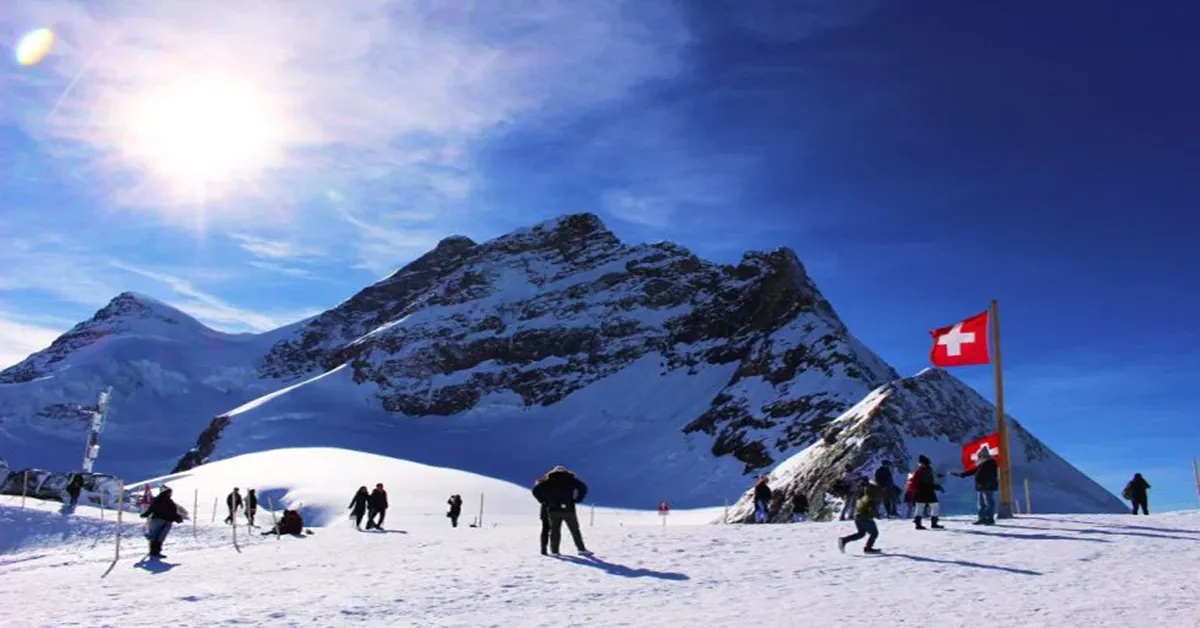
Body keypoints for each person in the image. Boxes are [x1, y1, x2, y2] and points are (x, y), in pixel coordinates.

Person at [531, 465, 590, 556]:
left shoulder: (549, 480)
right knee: (575, 530)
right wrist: (578, 499)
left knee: (554, 531)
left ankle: (555, 551)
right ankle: (581, 549)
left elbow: (535, 490)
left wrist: (544, 500)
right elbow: (583, 488)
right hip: (568, 509)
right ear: (566, 471)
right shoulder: (570, 479)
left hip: (553, 509)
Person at [953, 447, 999, 525]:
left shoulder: (990, 462)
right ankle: (982, 518)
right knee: (981, 503)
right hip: (980, 486)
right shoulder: (981, 463)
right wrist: (961, 475)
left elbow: (992, 475)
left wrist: (988, 482)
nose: (978, 457)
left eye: (979, 455)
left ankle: (989, 518)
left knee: (988, 503)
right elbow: (973, 471)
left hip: (987, 486)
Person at [838, 481, 882, 554]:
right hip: (864, 517)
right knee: (874, 533)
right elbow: (870, 510)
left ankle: (844, 540)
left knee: (861, 534)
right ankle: (868, 548)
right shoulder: (871, 499)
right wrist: (873, 516)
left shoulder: (864, 497)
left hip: (857, 517)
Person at [139, 486, 184, 558]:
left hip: (158, 520)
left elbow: (151, 508)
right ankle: (155, 551)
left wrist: (146, 514)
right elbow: (172, 512)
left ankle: (154, 551)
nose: (170, 494)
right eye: (170, 492)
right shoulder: (169, 501)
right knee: (160, 537)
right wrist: (177, 518)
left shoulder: (159, 499)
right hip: (164, 521)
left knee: (155, 536)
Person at [912, 455, 944, 529]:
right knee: (931, 506)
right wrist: (936, 486)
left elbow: (931, 481)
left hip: (924, 491)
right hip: (924, 491)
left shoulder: (924, 471)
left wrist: (936, 486)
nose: (920, 464)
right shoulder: (922, 471)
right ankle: (923, 524)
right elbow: (927, 483)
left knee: (925, 507)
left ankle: (922, 524)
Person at [533, 474, 552, 555]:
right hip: (552, 509)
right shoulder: (550, 484)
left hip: (544, 509)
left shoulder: (542, 485)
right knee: (552, 530)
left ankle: (543, 549)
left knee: (545, 529)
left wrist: (542, 500)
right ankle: (553, 549)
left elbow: (535, 491)